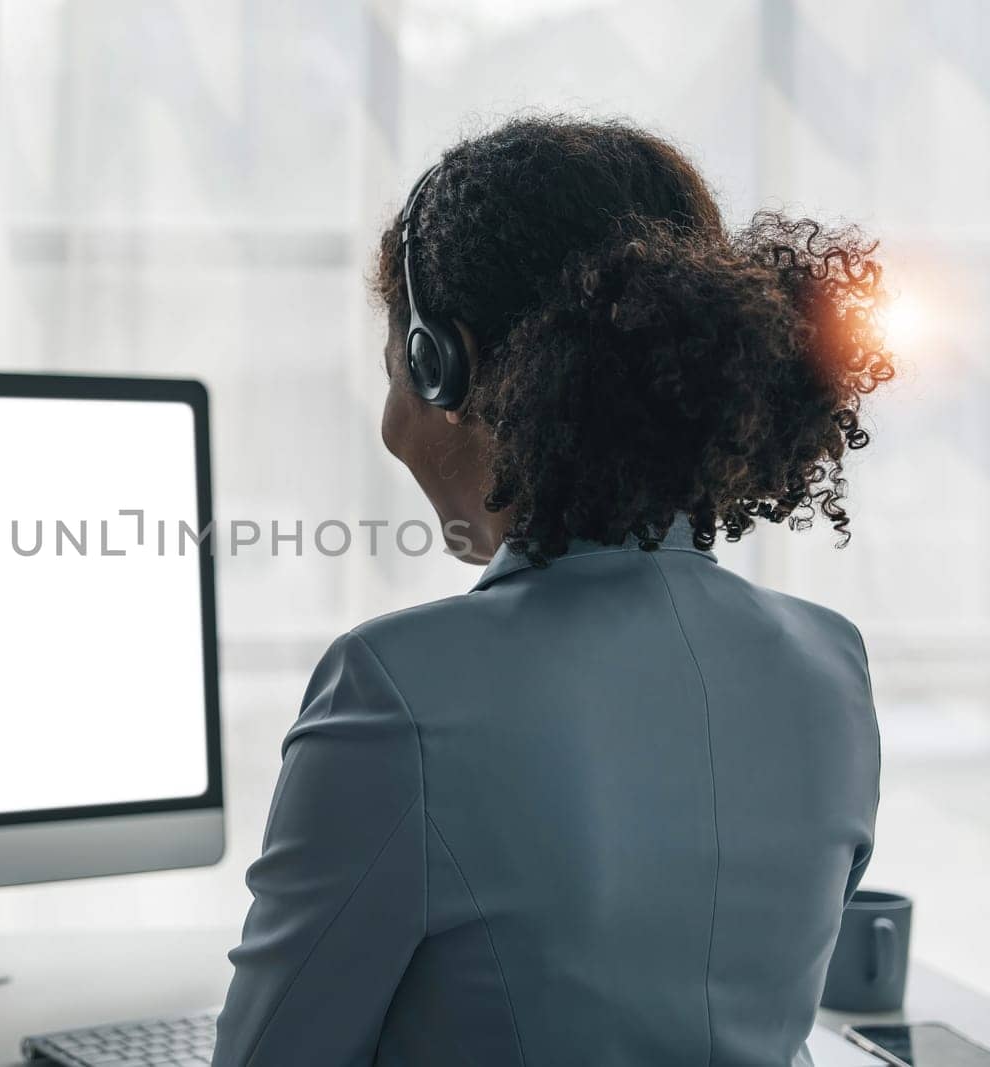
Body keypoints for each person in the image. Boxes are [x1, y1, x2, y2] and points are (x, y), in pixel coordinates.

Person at [211, 117, 893, 1067]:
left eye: (398, 371)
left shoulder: (397, 689)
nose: (388, 421)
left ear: (446, 364)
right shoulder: (831, 664)